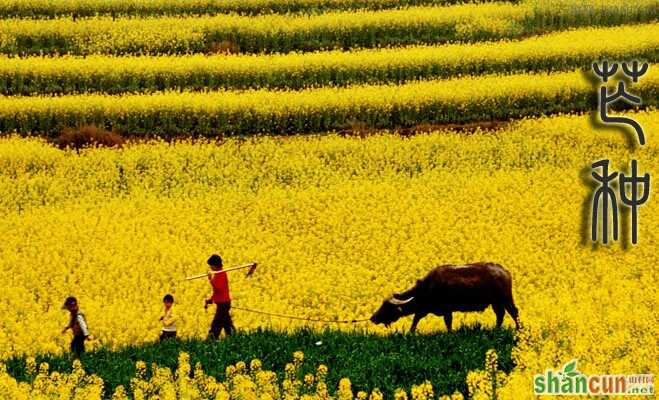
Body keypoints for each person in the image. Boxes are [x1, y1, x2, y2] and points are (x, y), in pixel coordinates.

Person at [205, 254, 234, 339]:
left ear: (215, 265)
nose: (210, 267)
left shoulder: (221, 274)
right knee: (227, 324)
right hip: (223, 303)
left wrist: (210, 279)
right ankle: (234, 337)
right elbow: (217, 292)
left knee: (216, 324)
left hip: (223, 304)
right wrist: (211, 299)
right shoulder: (218, 274)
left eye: (211, 266)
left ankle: (211, 340)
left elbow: (219, 288)